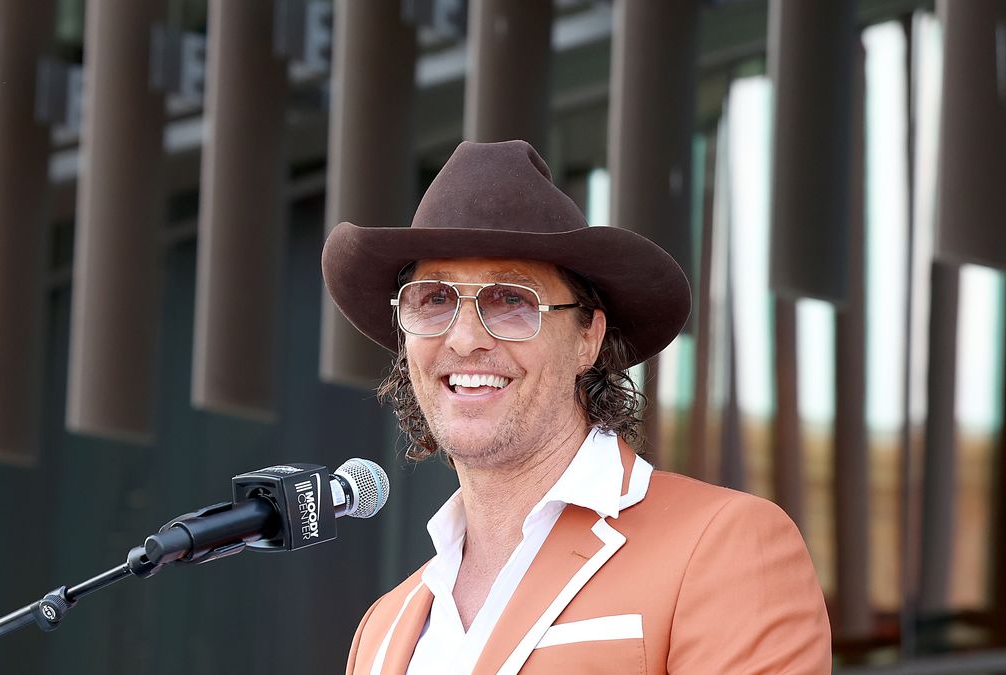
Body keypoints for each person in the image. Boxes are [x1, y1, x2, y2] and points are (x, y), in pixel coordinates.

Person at [322, 140, 830, 674]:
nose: (465, 338)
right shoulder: (383, 629)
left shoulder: (725, 545)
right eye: (434, 300)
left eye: (512, 300)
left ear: (589, 338)